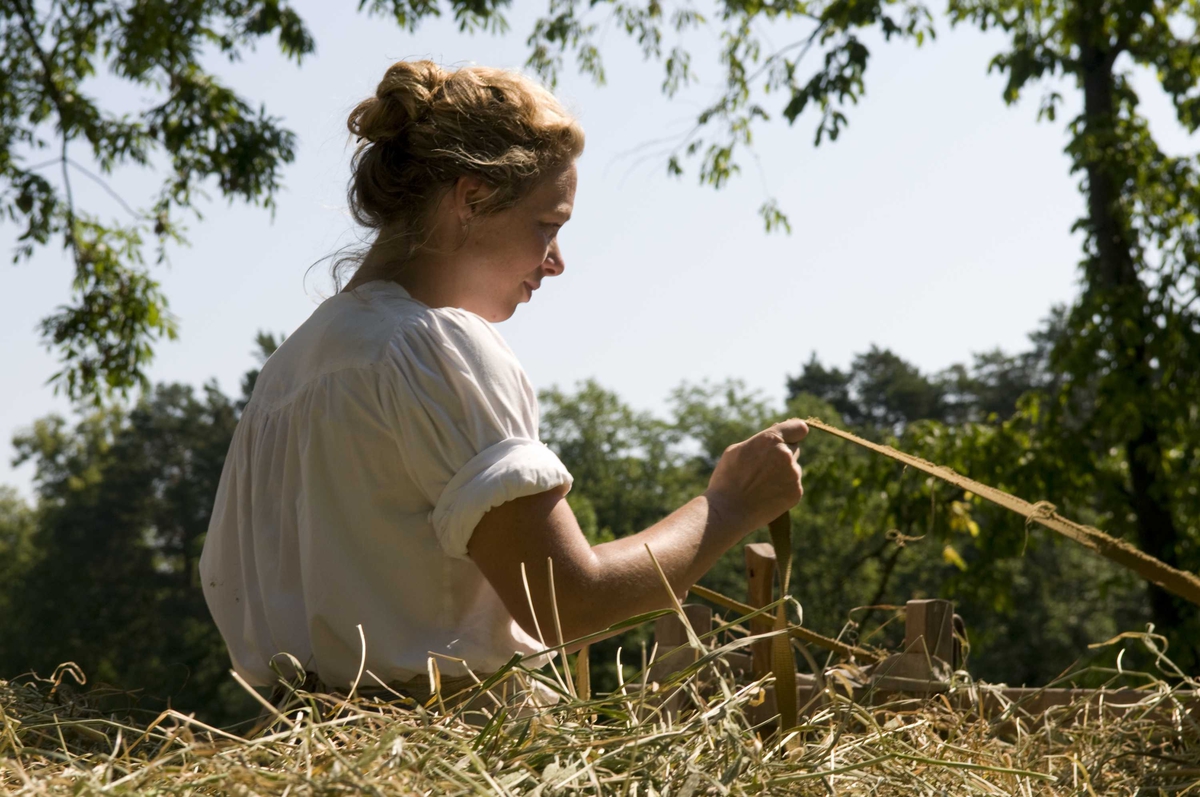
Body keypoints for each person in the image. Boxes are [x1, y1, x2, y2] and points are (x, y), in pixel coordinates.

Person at [199, 60, 807, 699]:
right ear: (472, 199)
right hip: (439, 759)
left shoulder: (287, 374)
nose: (557, 262)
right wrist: (730, 505)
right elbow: (568, 600)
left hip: (307, 756)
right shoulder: (433, 347)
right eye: (548, 226)